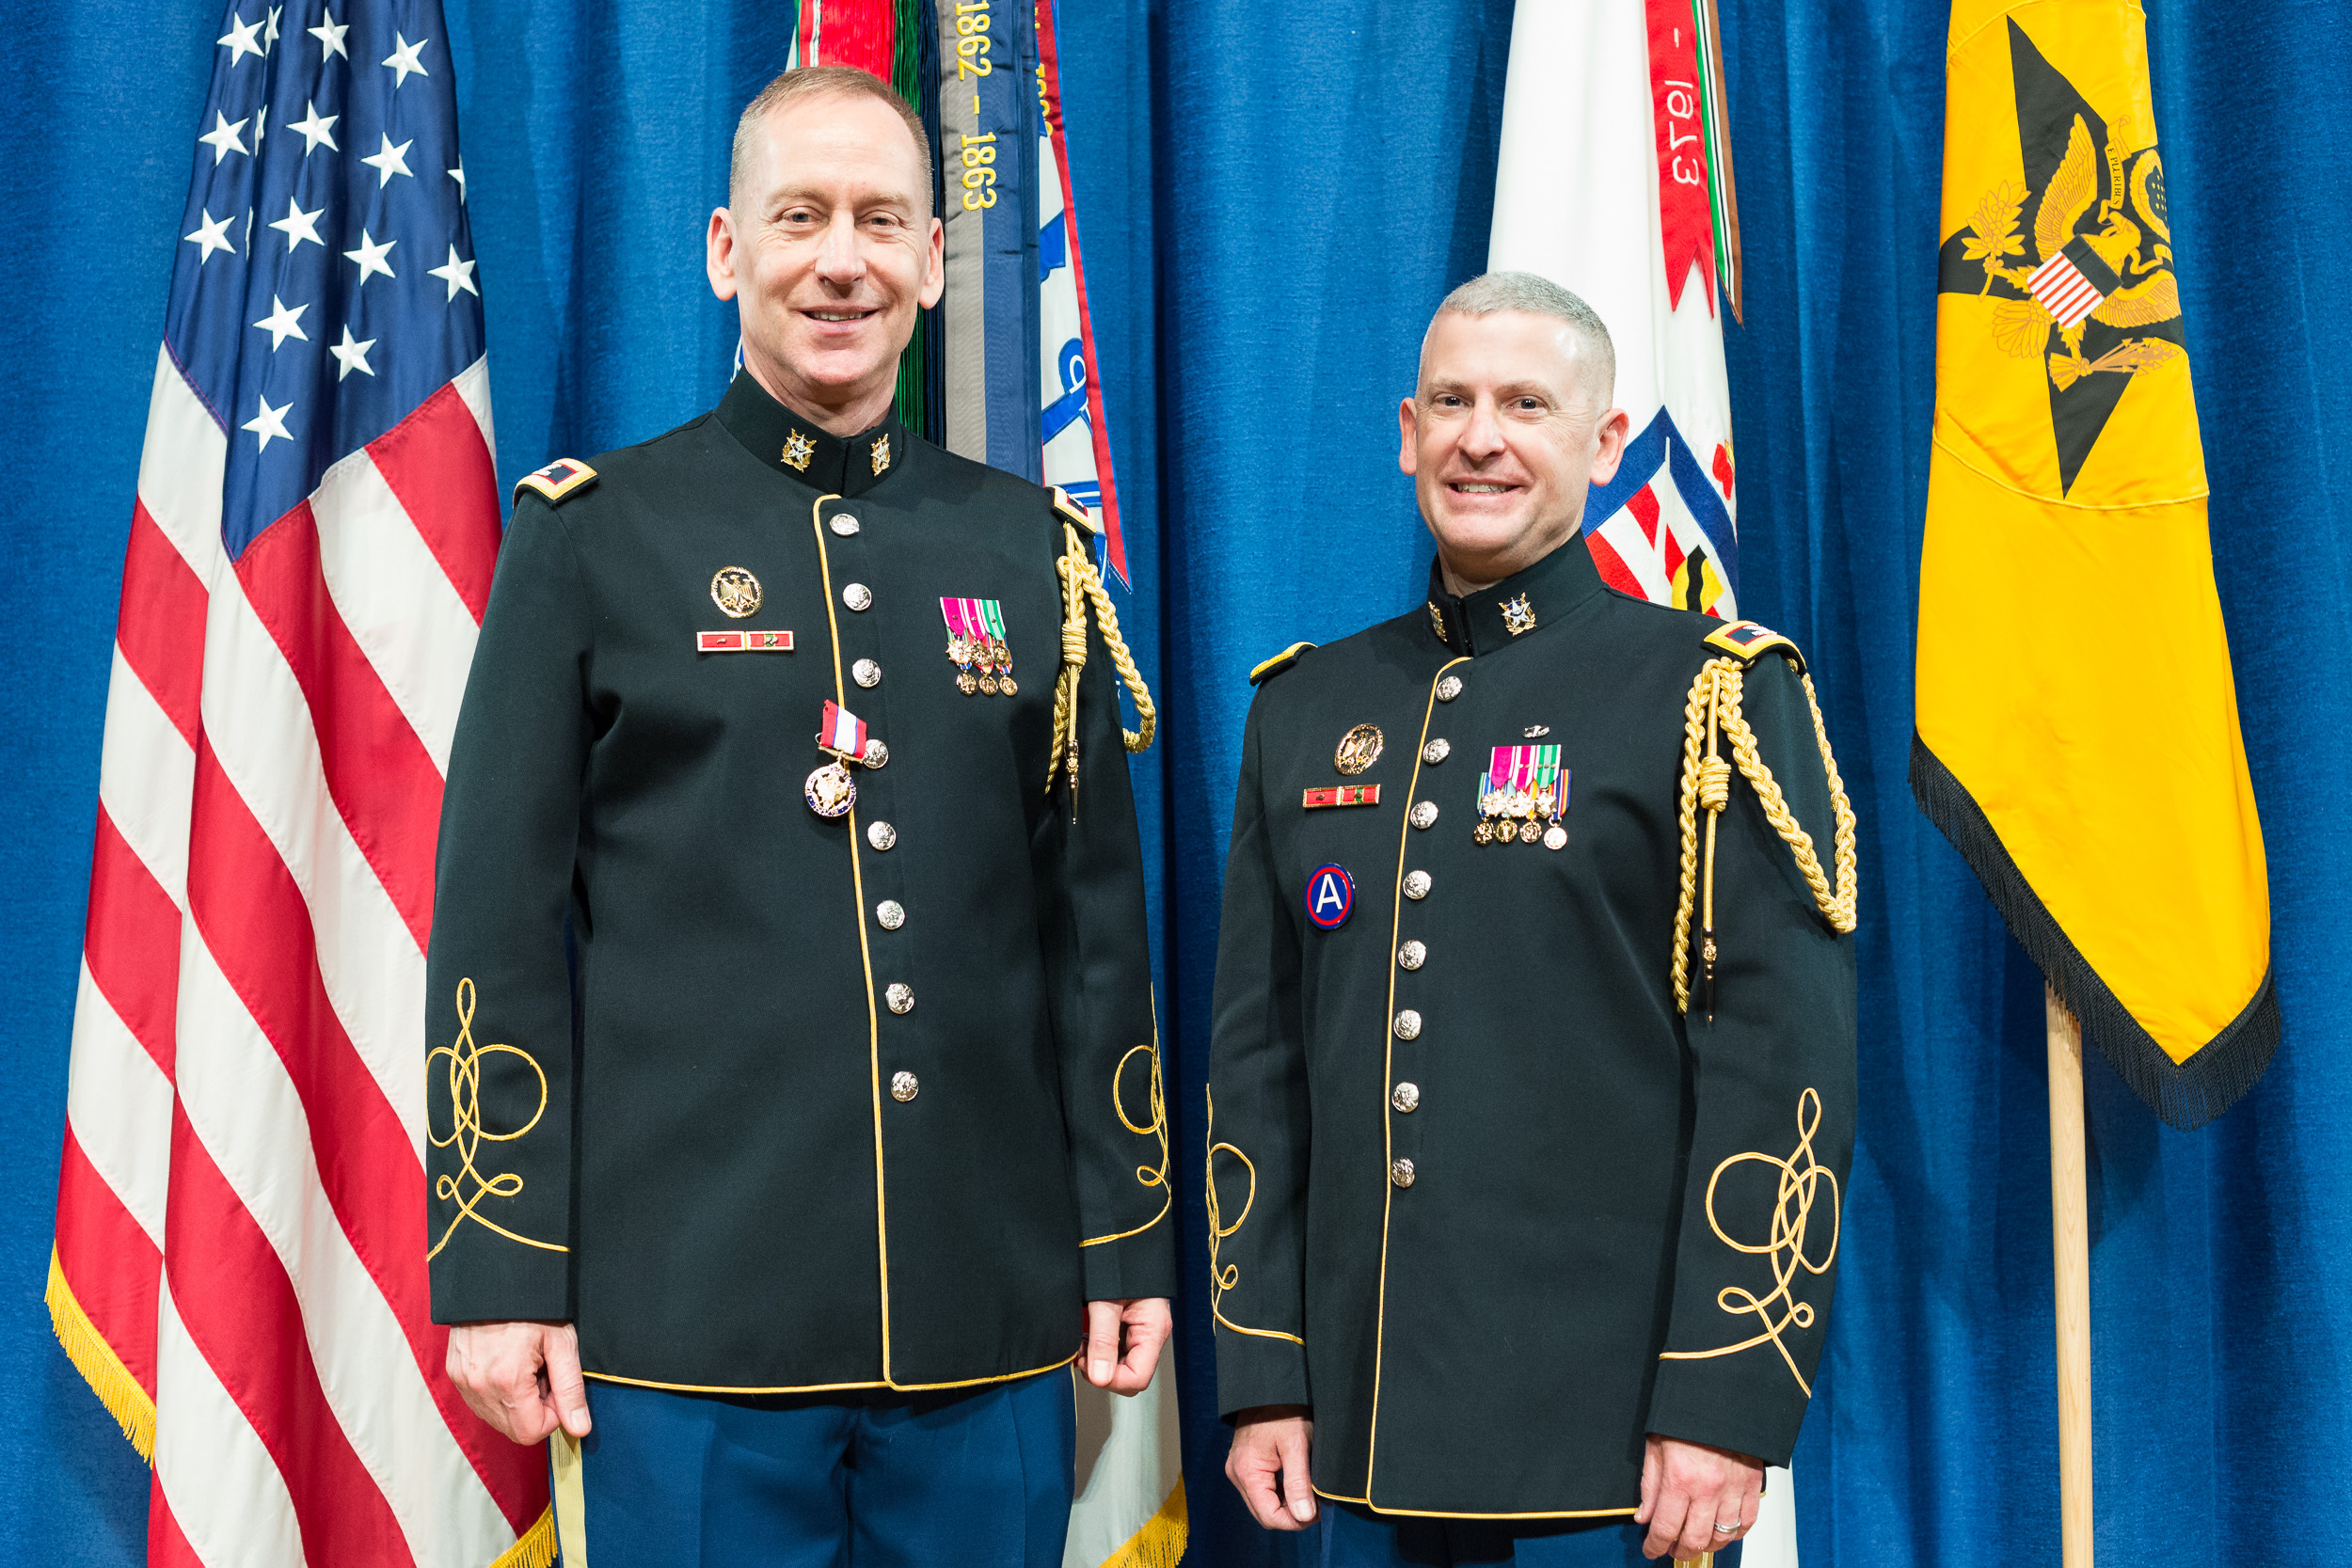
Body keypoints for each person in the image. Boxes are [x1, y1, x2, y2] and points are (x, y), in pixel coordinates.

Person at [424, 65, 1174, 1566]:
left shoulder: (1032, 552)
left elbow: (1092, 936)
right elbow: (497, 929)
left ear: (935, 261)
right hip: (690, 1328)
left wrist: (1122, 1234)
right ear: (724, 250)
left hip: (984, 1318)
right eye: (802, 217)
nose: (844, 259)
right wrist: (500, 1260)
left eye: (884, 221)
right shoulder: (594, 540)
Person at [1206, 272, 1858, 1566]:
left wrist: (1725, 1400)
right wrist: (1266, 1368)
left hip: (1607, 1447)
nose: (1479, 438)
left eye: (1525, 404)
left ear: (1605, 441)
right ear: (1405, 431)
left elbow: (1780, 1072)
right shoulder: (1305, 706)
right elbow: (1257, 1063)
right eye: (1450, 401)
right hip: (1365, 1428)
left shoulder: (1709, 698)